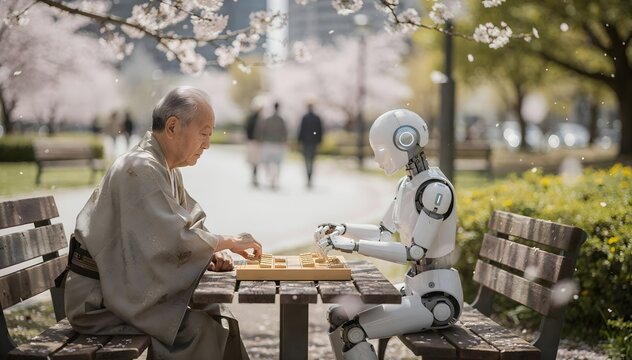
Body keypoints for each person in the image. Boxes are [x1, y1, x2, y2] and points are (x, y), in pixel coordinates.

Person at [58, 86, 262, 360]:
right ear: (173, 126)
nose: (207, 144)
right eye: (204, 133)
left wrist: (211, 251)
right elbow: (173, 238)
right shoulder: (139, 167)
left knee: (217, 313)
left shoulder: (163, 167)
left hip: (120, 290)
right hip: (100, 301)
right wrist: (225, 242)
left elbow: (187, 229)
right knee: (202, 329)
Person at [314, 109, 463, 359]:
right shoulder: (408, 184)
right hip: (415, 287)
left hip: (438, 299)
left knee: (353, 332)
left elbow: (415, 252)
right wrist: (344, 229)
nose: (377, 159)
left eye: (380, 152)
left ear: (405, 140)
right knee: (338, 313)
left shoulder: (435, 190)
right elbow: (384, 233)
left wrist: (351, 246)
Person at [256, 101, 288, 189]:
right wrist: (285, 141)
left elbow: (261, 131)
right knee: (277, 163)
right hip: (278, 144)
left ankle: (269, 178)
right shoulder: (281, 120)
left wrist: (261, 140)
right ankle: (274, 180)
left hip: (267, 143)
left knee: (267, 163)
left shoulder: (267, 119)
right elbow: (284, 132)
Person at [297, 102, 324, 188]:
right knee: (312, 160)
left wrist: (299, 140)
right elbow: (319, 130)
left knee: (306, 160)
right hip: (314, 142)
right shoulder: (317, 118)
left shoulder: (304, 117)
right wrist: (319, 140)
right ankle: (310, 177)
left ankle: (308, 176)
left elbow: (301, 130)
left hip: (306, 142)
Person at [245, 101, 262, 187]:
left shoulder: (251, 118)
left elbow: (247, 129)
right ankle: (254, 176)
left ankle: (254, 176)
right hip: (257, 142)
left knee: (254, 161)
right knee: (256, 161)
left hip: (252, 141)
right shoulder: (260, 119)